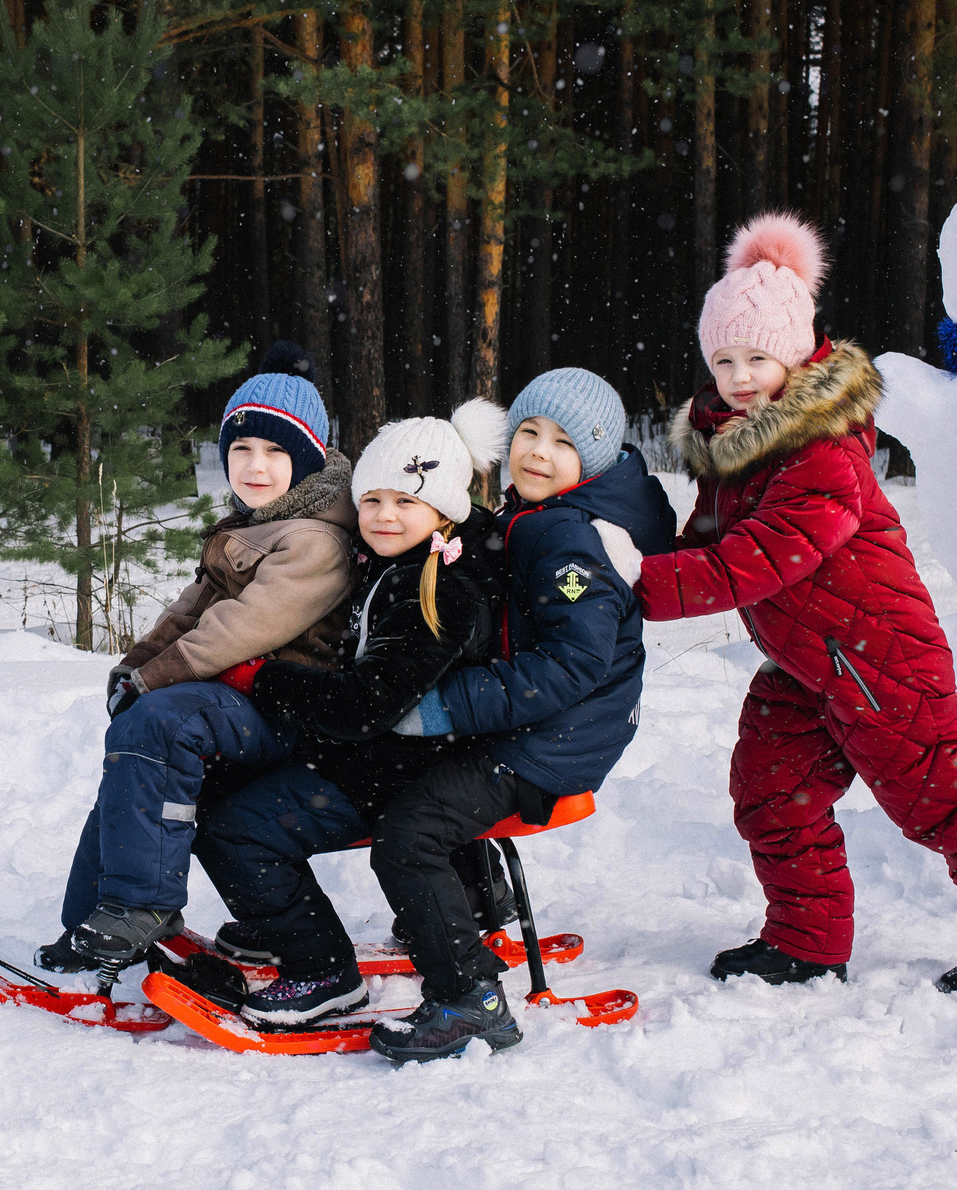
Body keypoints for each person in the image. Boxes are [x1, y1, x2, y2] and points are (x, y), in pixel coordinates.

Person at [635, 213, 957, 993]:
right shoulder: (740, 444)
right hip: (811, 660)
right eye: (723, 357)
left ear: (796, 355)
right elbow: (704, 543)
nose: (737, 374)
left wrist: (642, 585)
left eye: (757, 356)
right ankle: (806, 938)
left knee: (942, 798)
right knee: (771, 790)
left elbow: (760, 558)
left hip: (880, 658)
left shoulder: (822, 449)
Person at [190, 401, 518, 1054]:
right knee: (228, 780)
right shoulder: (402, 561)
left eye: (405, 499)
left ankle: (321, 971)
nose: (384, 514)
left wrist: (262, 680)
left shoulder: (441, 587)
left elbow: (366, 703)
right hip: (389, 756)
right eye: (371, 499)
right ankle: (288, 917)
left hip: (398, 769)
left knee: (232, 827)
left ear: (446, 507)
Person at [378, 367, 678, 1053]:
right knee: (410, 771)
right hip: (546, 726)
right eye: (530, 432)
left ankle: (469, 995)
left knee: (409, 829)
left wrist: (451, 704)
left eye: (564, 442)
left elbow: (572, 664)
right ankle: (477, 902)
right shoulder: (538, 514)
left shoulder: (571, 538)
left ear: (593, 461)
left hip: (556, 738)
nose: (539, 451)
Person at [38, 345, 357, 974]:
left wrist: (156, 682)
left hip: (292, 711)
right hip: (241, 705)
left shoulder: (315, 538)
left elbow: (241, 627)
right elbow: (188, 611)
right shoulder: (254, 523)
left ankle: (143, 906)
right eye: (241, 451)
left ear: (309, 459)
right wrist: (133, 667)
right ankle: (90, 927)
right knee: (134, 754)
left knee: (159, 723)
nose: (256, 467)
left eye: (275, 452)